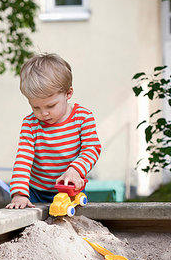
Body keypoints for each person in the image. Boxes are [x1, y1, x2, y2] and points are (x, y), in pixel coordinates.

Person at [6, 53, 102, 209]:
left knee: (71, 220)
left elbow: (91, 149)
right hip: (35, 191)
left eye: (50, 106)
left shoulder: (82, 117)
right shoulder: (31, 124)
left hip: (69, 186)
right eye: (35, 107)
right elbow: (23, 158)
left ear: (68, 93)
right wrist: (19, 193)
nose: (43, 113)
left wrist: (75, 170)